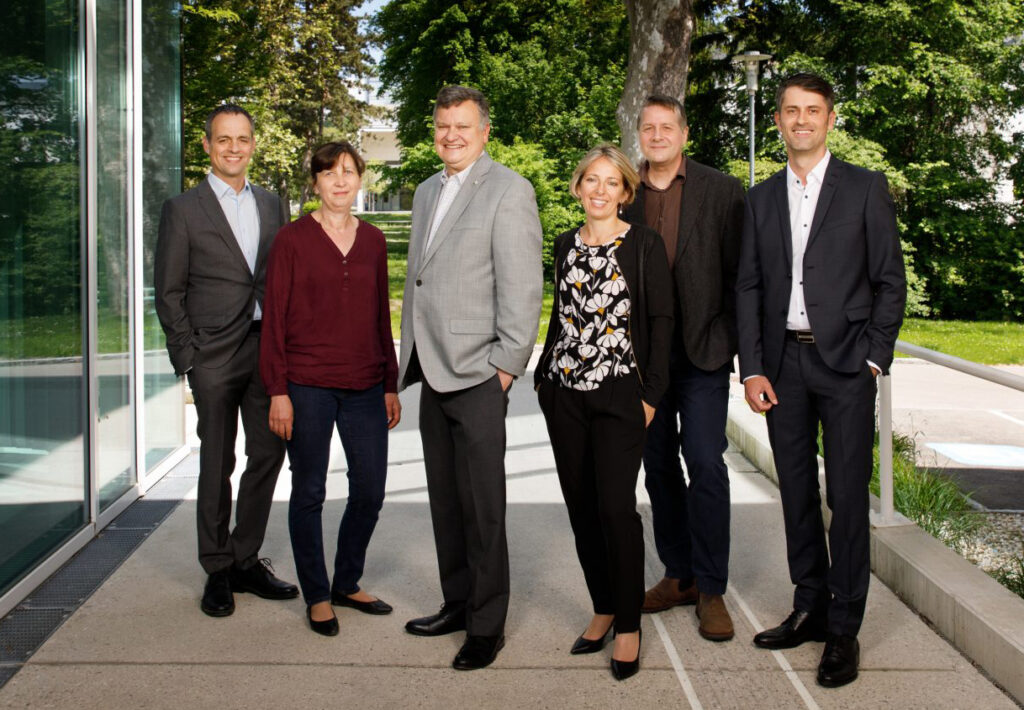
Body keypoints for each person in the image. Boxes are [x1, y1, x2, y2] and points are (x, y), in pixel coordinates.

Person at [736, 72, 906, 687]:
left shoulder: (864, 189)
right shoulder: (758, 199)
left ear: (830, 119)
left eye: (812, 111)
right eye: (790, 111)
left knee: (847, 501)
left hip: (846, 367)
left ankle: (844, 629)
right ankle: (808, 606)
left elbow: (891, 280)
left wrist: (874, 358)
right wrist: (751, 365)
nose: (800, 120)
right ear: (778, 120)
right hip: (781, 367)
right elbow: (748, 287)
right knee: (797, 494)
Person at [397, 85, 543, 671]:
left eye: (462, 125)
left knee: (483, 508)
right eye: (441, 125)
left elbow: (522, 289)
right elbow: (419, 280)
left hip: (480, 373)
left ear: (485, 131)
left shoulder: (509, 190)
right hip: (433, 372)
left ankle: (486, 627)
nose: (450, 135)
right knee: (446, 502)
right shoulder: (427, 190)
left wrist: (505, 369)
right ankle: (457, 602)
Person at [535, 144, 674, 681]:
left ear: (624, 192)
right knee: (581, 508)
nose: (599, 190)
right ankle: (603, 606)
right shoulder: (565, 244)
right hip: (565, 393)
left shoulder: (643, 244)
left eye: (610, 183)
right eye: (590, 181)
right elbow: (563, 317)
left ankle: (630, 625)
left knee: (616, 508)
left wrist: (650, 397)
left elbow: (661, 322)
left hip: (621, 395)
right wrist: (545, 380)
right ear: (578, 188)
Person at [155, 104, 298, 617]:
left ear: (253, 144)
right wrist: (188, 356)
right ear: (207, 146)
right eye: (223, 140)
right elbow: (168, 290)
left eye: (242, 139)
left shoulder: (272, 204)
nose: (233, 148)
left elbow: (280, 278)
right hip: (212, 354)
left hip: (266, 349)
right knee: (218, 461)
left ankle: (244, 558)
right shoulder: (183, 209)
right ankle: (217, 568)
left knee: (269, 454)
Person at [260, 142, 401, 636]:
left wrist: (390, 382)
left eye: (349, 172)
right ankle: (317, 594)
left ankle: (347, 580)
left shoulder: (375, 241)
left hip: (365, 384)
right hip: (307, 385)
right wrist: (278, 390)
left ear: (360, 179)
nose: (340, 181)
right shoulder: (292, 241)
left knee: (370, 488)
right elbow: (273, 320)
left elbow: (382, 315)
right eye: (329, 173)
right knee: (310, 491)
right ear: (315, 182)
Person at [621, 95, 745, 641]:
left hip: (702, 353)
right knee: (659, 466)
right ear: (639, 135)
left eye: (666, 126)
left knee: (705, 461)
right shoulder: (623, 193)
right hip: (644, 360)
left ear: (684, 134)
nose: (657, 134)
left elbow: (743, 274)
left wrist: (741, 348)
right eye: (648, 127)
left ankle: (713, 588)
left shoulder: (721, 190)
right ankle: (679, 575)